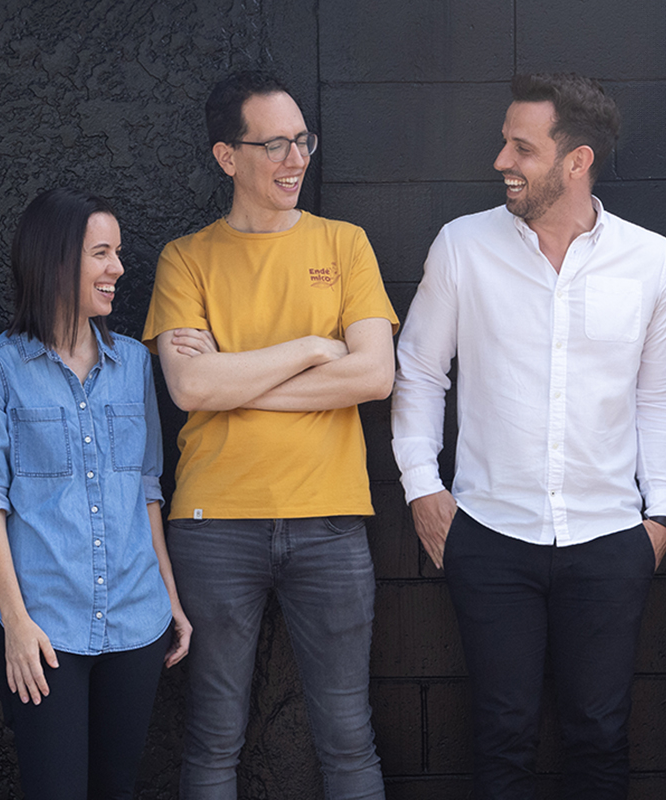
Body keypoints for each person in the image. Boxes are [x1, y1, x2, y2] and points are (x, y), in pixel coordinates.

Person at [392, 72, 666, 799]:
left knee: (600, 734)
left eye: (521, 147)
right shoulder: (462, 247)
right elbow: (420, 372)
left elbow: (662, 395)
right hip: (491, 534)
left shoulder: (651, 261)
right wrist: (423, 490)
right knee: (502, 734)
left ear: (576, 160)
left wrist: (663, 516)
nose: (501, 160)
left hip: (611, 536)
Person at [143, 70, 396, 800]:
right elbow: (190, 387)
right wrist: (315, 348)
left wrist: (238, 383)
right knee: (213, 738)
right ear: (228, 157)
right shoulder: (186, 258)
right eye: (276, 144)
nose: (296, 160)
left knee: (349, 738)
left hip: (331, 520)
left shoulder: (345, 244)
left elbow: (374, 376)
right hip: (213, 523)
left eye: (303, 140)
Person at [0, 188, 190, 799]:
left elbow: (146, 490)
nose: (117, 268)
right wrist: (14, 624)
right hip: (44, 630)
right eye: (101, 254)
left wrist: (169, 597)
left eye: (117, 253)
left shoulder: (135, 363)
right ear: (57, 262)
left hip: (138, 621)